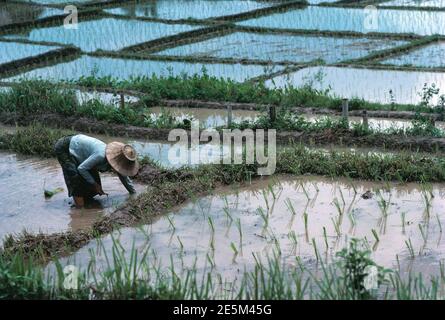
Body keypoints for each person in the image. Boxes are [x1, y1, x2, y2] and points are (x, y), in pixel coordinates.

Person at [54, 134, 139, 208]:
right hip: (65, 147)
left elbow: (123, 176)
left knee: (93, 179)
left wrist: (133, 194)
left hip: (81, 150)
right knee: (74, 177)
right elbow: (82, 168)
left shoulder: (117, 159)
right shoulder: (100, 155)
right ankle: (80, 210)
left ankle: (87, 201)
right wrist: (95, 185)